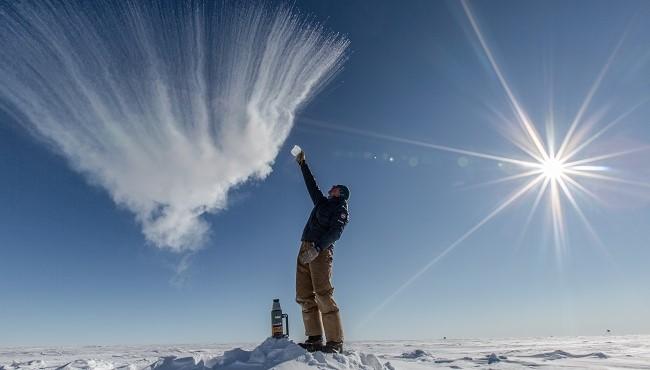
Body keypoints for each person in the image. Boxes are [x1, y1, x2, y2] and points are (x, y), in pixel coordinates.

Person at [295, 149, 349, 353]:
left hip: (321, 250)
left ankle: (335, 342)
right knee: (304, 295)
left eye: (335, 188)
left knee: (323, 294)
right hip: (304, 247)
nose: (331, 188)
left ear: (341, 193)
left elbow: (336, 232)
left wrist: (317, 249)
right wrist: (303, 164)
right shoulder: (322, 202)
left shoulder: (341, 210)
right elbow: (312, 185)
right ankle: (314, 339)